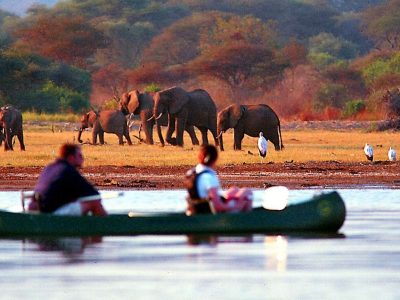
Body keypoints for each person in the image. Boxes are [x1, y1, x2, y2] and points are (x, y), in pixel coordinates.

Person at [33, 143, 107, 216]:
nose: (83, 158)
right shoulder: (68, 170)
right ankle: (106, 225)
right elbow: (94, 195)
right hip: (52, 213)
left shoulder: (49, 167)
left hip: (41, 210)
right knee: (94, 203)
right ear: (71, 158)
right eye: (80, 156)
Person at [186, 145, 252, 215]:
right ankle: (245, 221)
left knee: (234, 190)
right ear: (215, 159)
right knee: (247, 192)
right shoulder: (209, 177)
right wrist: (237, 206)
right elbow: (218, 207)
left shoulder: (191, 173)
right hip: (209, 214)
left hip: (197, 209)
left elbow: (189, 198)